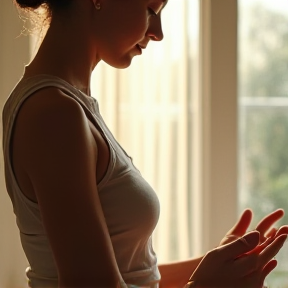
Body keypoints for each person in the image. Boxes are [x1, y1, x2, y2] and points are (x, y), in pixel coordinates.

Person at [2, 0, 288, 287]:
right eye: (152, 9)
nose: (158, 32)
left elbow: (128, 277)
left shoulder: (69, 105)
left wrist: (220, 267)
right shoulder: (53, 113)